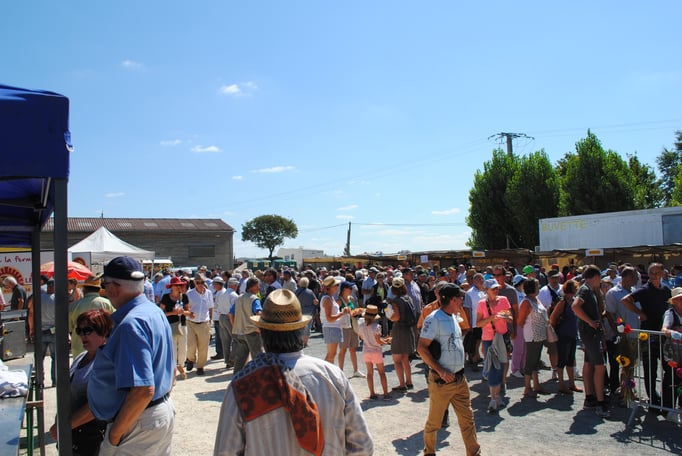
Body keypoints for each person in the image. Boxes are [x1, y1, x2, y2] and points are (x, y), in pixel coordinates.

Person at [214, 288, 374, 455]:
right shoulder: (333, 376)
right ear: (300, 330)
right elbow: (362, 446)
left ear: (262, 332)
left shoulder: (243, 385)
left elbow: (225, 451)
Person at [88, 256, 174, 455]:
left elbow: (143, 390)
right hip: (153, 413)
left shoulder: (131, 323)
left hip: (138, 420)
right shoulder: (152, 311)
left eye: (105, 285)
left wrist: (114, 437)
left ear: (114, 288)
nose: (104, 290)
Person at [418, 283, 481, 456]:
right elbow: (421, 348)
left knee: (467, 420)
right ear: (453, 299)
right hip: (442, 381)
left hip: (459, 378)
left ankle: (474, 453)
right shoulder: (433, 319)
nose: (462, 300)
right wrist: (441, 371)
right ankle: (429, 452)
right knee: (435, 422)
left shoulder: (454, 316)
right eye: (460, 297)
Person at [50, 309, 114, 456]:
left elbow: (98, 405)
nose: (82, 335)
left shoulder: (107, 362)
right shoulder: (81, 357)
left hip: (93, 440)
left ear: (104, 331)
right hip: (74, 438)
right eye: (79, 331)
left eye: (88, 330)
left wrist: (65, 427)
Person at [621, 262, 671, 411]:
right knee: (650, 370)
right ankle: (653, 401)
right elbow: (625, 300)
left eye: (657, 273)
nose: (654, 276)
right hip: (648, 335)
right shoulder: (644, 290)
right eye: (652, 273)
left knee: (669, 368)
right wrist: (640, 313)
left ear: (662, 273)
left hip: (663, 336)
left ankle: (667, 401)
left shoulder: (666, 290)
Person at [572, 264, 610, 418]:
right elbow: (575, 307)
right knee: (600, 366)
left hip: (590, 333)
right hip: (590, 333)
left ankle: (590, 397)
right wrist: (590, 322)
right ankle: (600, 402)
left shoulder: (589, 290)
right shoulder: (585, 290)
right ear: (595, 277)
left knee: (589, 363)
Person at [477, 279, 512, 413]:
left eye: (497, 288)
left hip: (502, 337)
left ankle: (497, 396)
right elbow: (478, 323)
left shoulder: (503, 300)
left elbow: (510, 318)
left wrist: (505, 317)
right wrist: (491, 318)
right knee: (493, 367)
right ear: (486, 290)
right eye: (493, 288)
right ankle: (493, 398)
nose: (496, 290)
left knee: (501, 366)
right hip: (489, 339)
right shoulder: (482, 304)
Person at [517, 278, 549, 398]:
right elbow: (520, 321)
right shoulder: (526, 302)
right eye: (537, 285)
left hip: (539, 335)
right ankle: (527, 387)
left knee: (535, 361)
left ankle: (536, 385)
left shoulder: (535, 299)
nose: (539, 287)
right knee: (530, 362)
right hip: (532, 336)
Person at [549, 279, 582, 394]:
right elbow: (553, 318)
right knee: (562, 360)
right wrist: (555, 332)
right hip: (563, 335)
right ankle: (562, 384)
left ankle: (572, 384)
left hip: (572, 334)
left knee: (571, 360)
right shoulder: (562, 302)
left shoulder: (574, 301)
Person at [69, 275, 115, 358]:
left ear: (85, 289)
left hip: (79, 346)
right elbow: (114, 324)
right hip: (102, 346)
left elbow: (69, 327)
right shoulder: (108, 304)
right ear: (98, 289)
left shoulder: (74, 305)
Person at [357, 304, 391, 400]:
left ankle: (372, 393)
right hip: (376, 351)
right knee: (381, 373)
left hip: (366, 350)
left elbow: (361, 337)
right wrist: (386, 341)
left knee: (369, 373)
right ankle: (386, 394)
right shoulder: (377, 327)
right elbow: (378, 341)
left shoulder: (361, 325)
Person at [229, 277, 263, 374]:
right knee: (258, 358)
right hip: (252, 332)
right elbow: (259, 313)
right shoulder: (254, 299)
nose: (258, 288)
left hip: (240, 332)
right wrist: (259, 328)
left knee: (240, 358)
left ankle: (236, 378)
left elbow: (230, 314)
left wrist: (235, 326)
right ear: (252, 287)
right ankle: (259, 378)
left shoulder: (239, 298)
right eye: (257, 286)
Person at [160, 276, 190, 381]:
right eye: (176, 285)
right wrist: (172, 313)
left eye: (180, 285)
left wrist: (183, 312)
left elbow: (189, 312)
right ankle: (173, 370)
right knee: (172, 348)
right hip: (170, 325)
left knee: (183, 348)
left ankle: (180, 366)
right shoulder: (165, 297)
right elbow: (161, 313)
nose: (178, 287)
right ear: (171, 287)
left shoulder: (184, 297)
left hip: (182, 324)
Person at [388, 277, 416, 392]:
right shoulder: (408, 298)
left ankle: (402, 384)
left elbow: (396, 317)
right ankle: (409, 381)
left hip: (399, 329)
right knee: (405, 358)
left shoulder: (396, 301)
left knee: (397, 359)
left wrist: (389, 315)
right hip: (409, 329)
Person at [185, 273, 214, 375]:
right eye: (198, 283)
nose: (200, 284)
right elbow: (186, 306)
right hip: (191, 322)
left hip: (204, 322)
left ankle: (200, 366)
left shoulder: (209, 293)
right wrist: (189, 313)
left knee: (203, 347)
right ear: (194, 283)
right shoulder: (189, 293)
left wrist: (210, 320)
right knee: (191, 345)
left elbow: (210, 307)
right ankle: (190, 359)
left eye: (202, 282)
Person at [661, 287, 682, 423]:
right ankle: (668, 410)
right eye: (679, 299)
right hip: (673, 352)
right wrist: (673, 332)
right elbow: (664, 329)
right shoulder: (670, 313)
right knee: (671, 378)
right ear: (673, 301)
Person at [337, 281, 365, 378]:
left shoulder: (350, 299)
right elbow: (337, 314)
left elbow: (351, 311)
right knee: (343, 350)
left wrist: (356, 312)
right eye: (349, 288)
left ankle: (356, 370)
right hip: (344, 327)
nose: (351, 290)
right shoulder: (339, 301)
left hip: (353, 325)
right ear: (344, 289)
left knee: (353, 349)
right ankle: (340, 371)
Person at [320, 275, 348, 364]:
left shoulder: (329, 297)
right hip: (331, 327)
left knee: (331, 354)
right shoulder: (327, 299)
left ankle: (326, 370)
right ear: (330, 287)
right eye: (335, 285)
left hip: (333, 327)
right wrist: (342, 313)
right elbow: (329, 318)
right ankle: (326, 371)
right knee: (331, 354)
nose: (337, 287)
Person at [294, 276, 318, 347]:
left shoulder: (296, 291)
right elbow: (315, 302)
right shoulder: (310, 292)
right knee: (308, 327)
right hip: (309, 312)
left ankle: (299, 341)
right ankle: (305, 342)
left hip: (299, 312)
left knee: (299, 327)